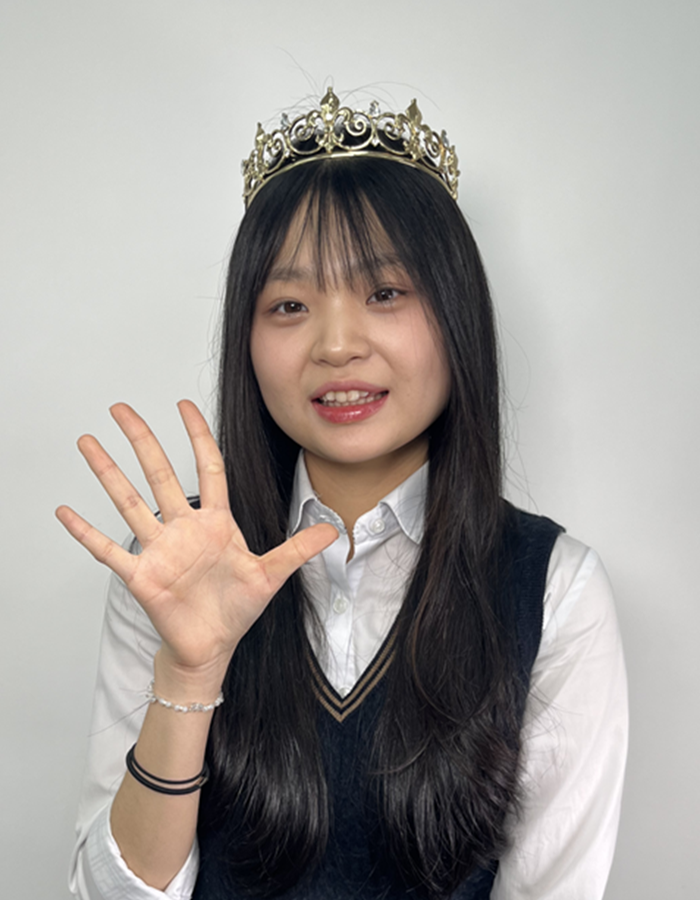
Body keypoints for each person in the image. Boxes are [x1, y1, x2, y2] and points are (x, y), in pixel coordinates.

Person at [59, 90, 628, 900]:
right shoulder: (171, 569)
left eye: (384, 292)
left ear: (457, 313)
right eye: (289, 305)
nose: (335, 345)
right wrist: (189, 674)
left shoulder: (553, 589)